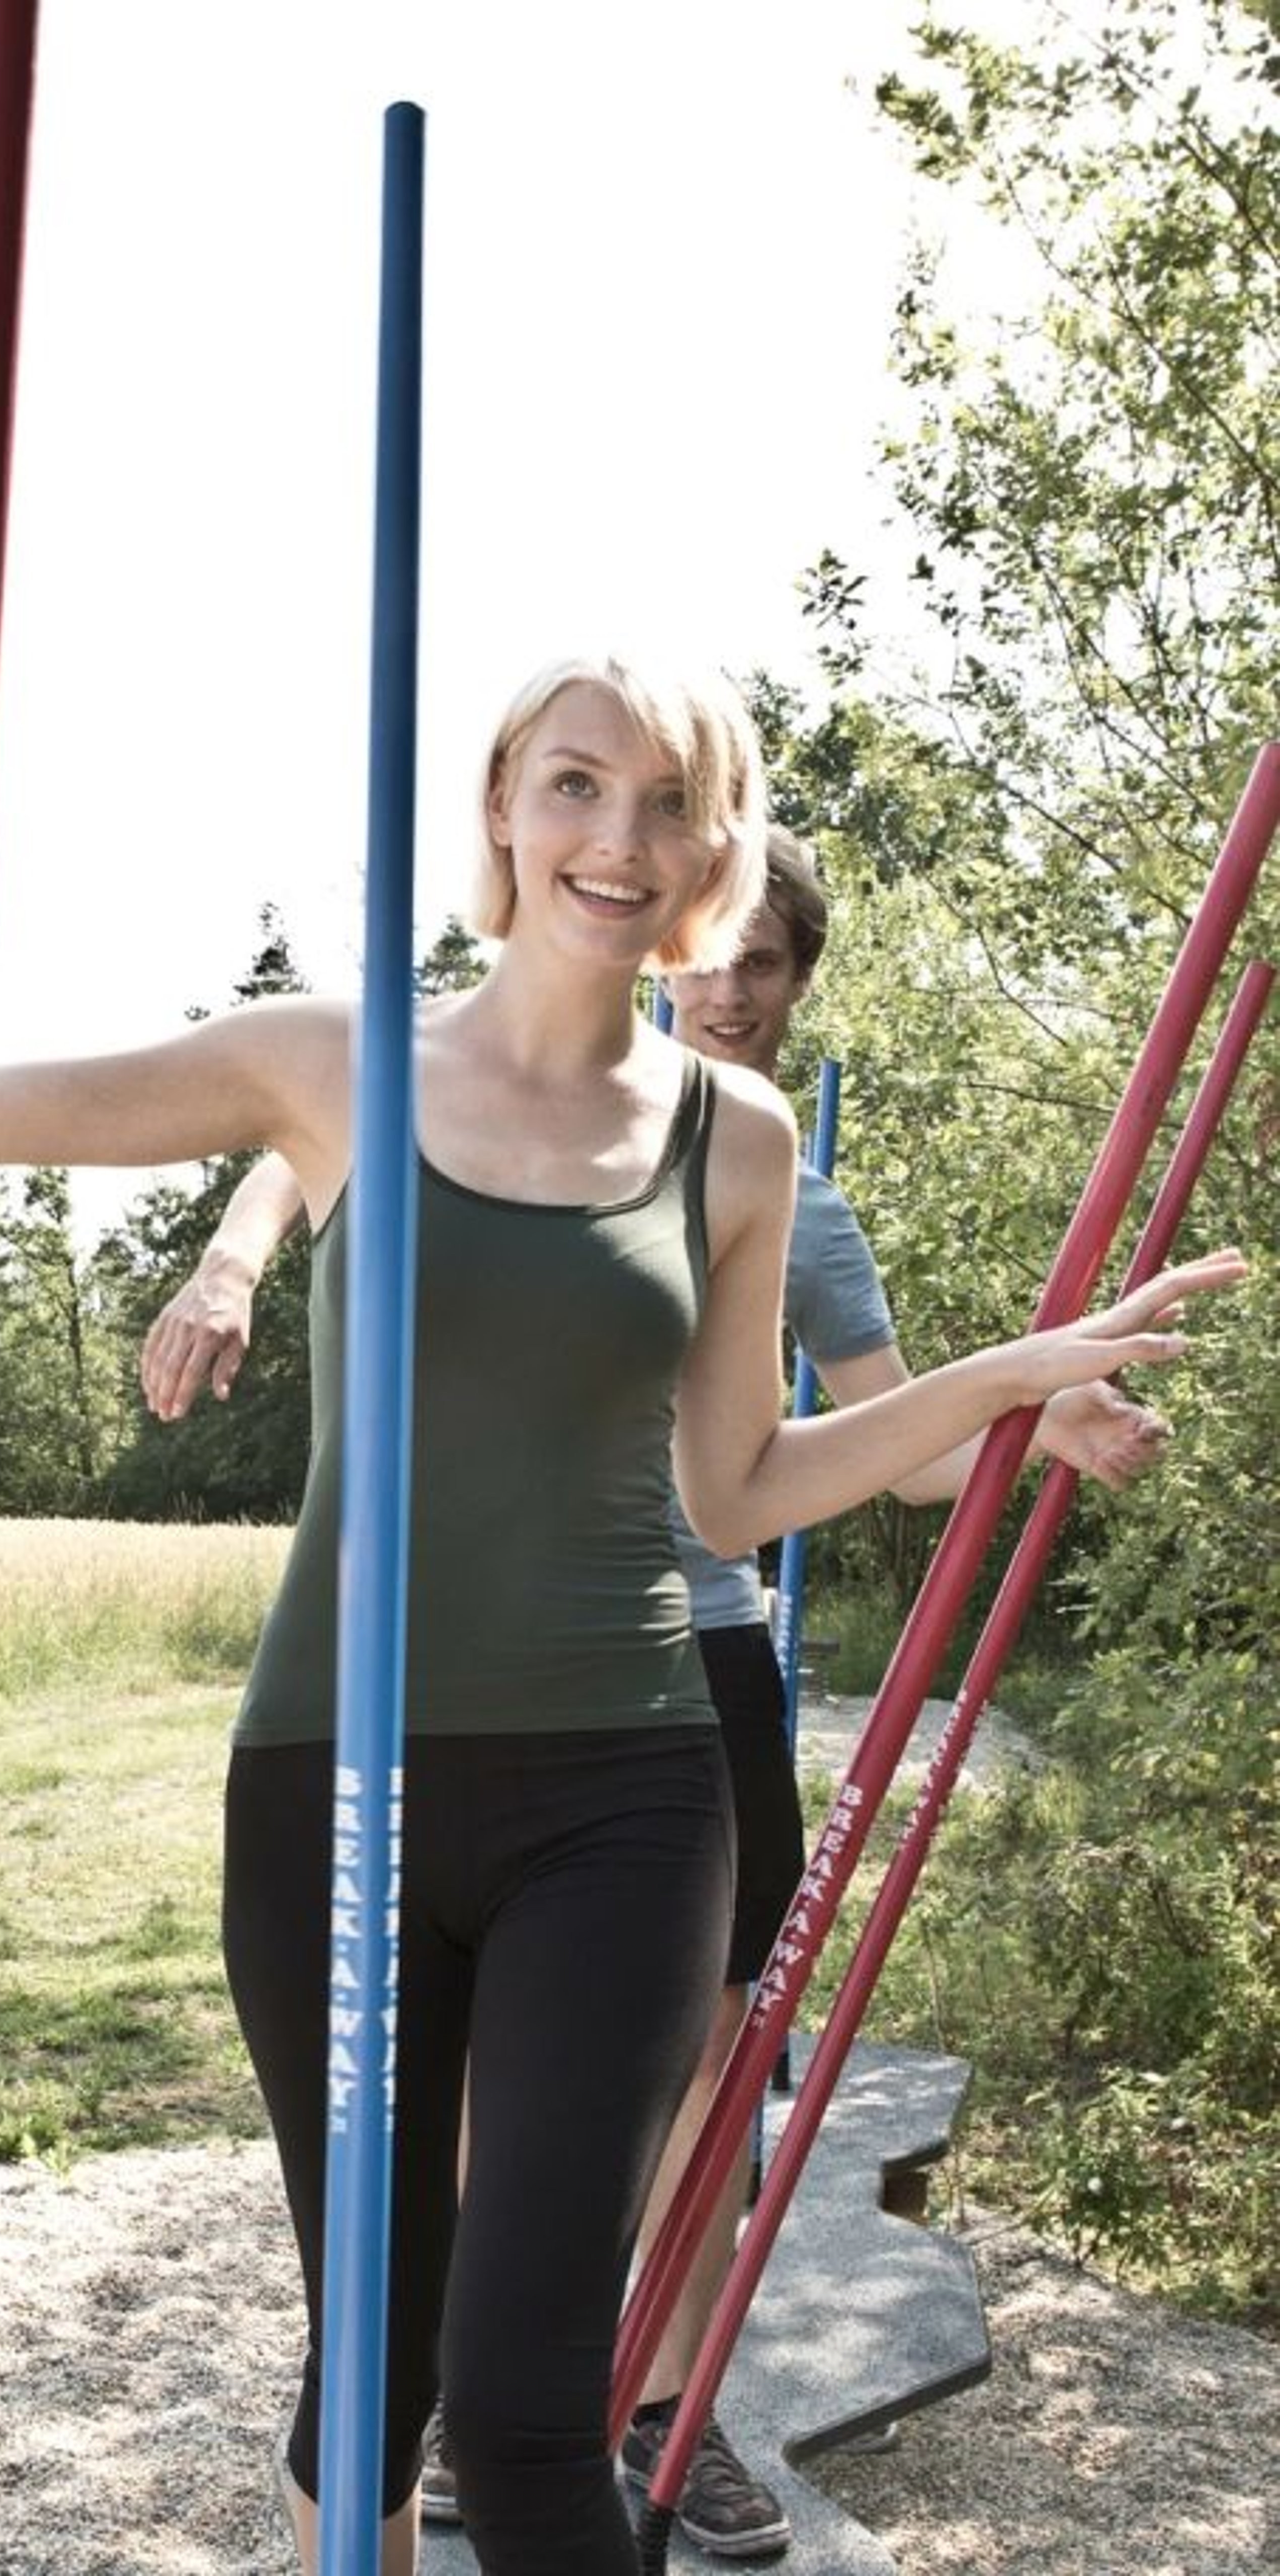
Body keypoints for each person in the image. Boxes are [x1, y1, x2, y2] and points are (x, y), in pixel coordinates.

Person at [0, 655, 1239, 2576]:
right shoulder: (332, 1063)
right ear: (504, 811)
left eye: (668, 804)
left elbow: (741, 1491)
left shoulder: (738, 1141)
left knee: (533, 2414)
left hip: (627, 1793)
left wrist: (1010, 1384)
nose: (617, 839)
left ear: (718, 853)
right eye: (575, 786)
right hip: (334, 1782)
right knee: (371, 2366)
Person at [137, 824, 1174, 2560]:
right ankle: (465, 2388)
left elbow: (851, 1447)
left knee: (702, 2065)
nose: (732, 985)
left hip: (687, 1674)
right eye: (720, 951)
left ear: (789, 984)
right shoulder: (464, 1088)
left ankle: (652, 2413)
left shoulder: (781, 1183)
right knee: (460, 2088)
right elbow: (296, 1129)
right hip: (468, 1674)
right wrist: (233, 1259)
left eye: (768, 962)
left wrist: (1020, 1412)